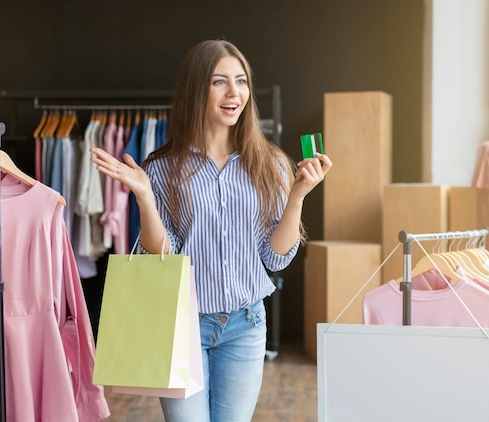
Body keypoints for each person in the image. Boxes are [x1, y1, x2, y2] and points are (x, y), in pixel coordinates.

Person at [90, 39, 332, 422]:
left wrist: (298, 194)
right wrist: (144, 198)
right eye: (220, 82)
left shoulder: (271, 164)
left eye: (241, 81)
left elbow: (274, 256)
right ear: (196, 89)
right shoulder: (162, 168)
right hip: (181, 325)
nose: (234, 92)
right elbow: (160, 253)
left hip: (246, 325)